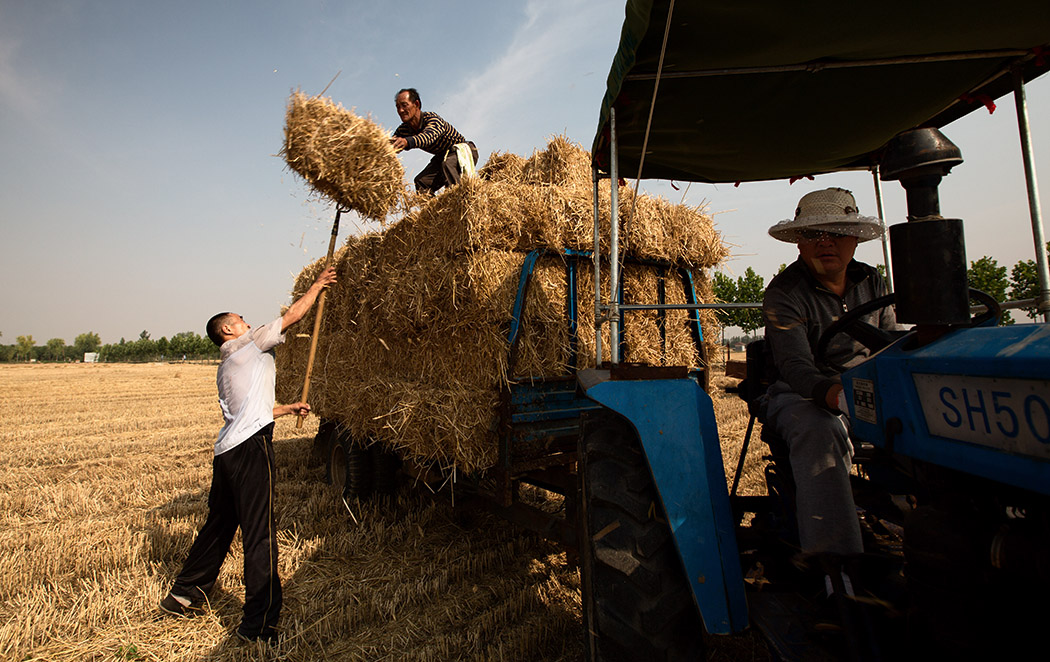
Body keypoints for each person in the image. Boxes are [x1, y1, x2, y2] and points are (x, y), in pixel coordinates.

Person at [159, 265, 337, 643]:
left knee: (219, 525)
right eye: (241, 319)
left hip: (226, 452)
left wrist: (286, 409)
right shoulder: (251, 343)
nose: (248, 322)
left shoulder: (227, 366)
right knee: (259, 534)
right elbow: (293, 316)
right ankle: (258, 625)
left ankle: (184, 594)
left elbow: (248, 410)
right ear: (228, 329)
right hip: (251, 450)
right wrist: (317, 285)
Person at [762, 187, 896, 560]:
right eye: (813, 234)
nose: (825, 242)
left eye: (836, 232)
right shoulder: (784, 292)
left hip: (868, 390)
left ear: (855, 239)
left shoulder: (874, 282)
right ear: (799, 243)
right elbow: (795, 366)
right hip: (801, 395)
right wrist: (838, 396)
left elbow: (892, 344)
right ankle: (836, 563)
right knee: (820, 429)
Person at [390, 88, 478, 195]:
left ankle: (461, 199)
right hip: (442, 157)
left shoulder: (431, 119)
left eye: (404, 105)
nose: (400, 111)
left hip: (462, 151)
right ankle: (434, 207)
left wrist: (407, 142)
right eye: (398, 107)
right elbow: (389, 145)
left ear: (416, 104)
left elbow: (428, 137)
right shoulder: (404, 130)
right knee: (421, 182)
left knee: (448, 165)